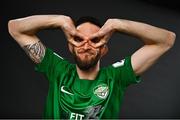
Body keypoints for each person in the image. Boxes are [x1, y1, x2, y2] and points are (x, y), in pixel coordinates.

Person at [8, 15, 176, 119]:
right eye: (79, 39)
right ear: (70, 47)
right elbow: (15, 28)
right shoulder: (57, 69)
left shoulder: (116, 76)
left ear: (104, 50)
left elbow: (166, 40)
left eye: (95, 40)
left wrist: (117, 24)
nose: (86, 45)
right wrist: (60, 20)